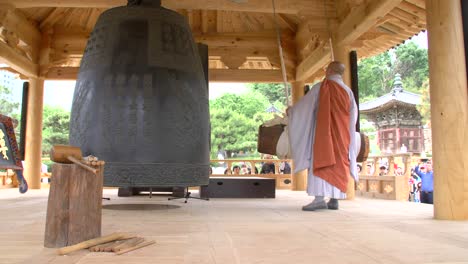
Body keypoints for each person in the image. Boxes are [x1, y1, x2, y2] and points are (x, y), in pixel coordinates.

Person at [288, 61, 358, 211]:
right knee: (339, 163)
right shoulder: (348, 91)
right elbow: (353, 116)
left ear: (330, 70)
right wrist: (348, 134)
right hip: (342, 135)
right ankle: (334, 199)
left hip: (323, 134)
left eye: (327, 69)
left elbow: (305, 107)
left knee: (322, 160)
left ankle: (319, 199)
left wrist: (292, 112)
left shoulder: (321, 88)